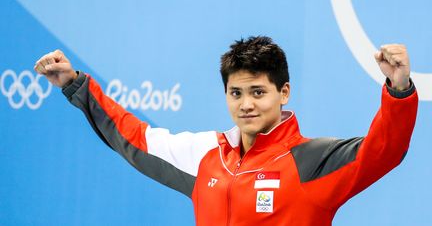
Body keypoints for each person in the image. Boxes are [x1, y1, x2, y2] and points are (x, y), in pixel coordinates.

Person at [34, 36, 418, 225]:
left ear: (284, 92)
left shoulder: (312, 160)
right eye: (236, 93)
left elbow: (383, 150)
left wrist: (399, 90)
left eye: (258, 92)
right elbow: (134, 138)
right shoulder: (207, 156)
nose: (246, 104)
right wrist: (75, 84)